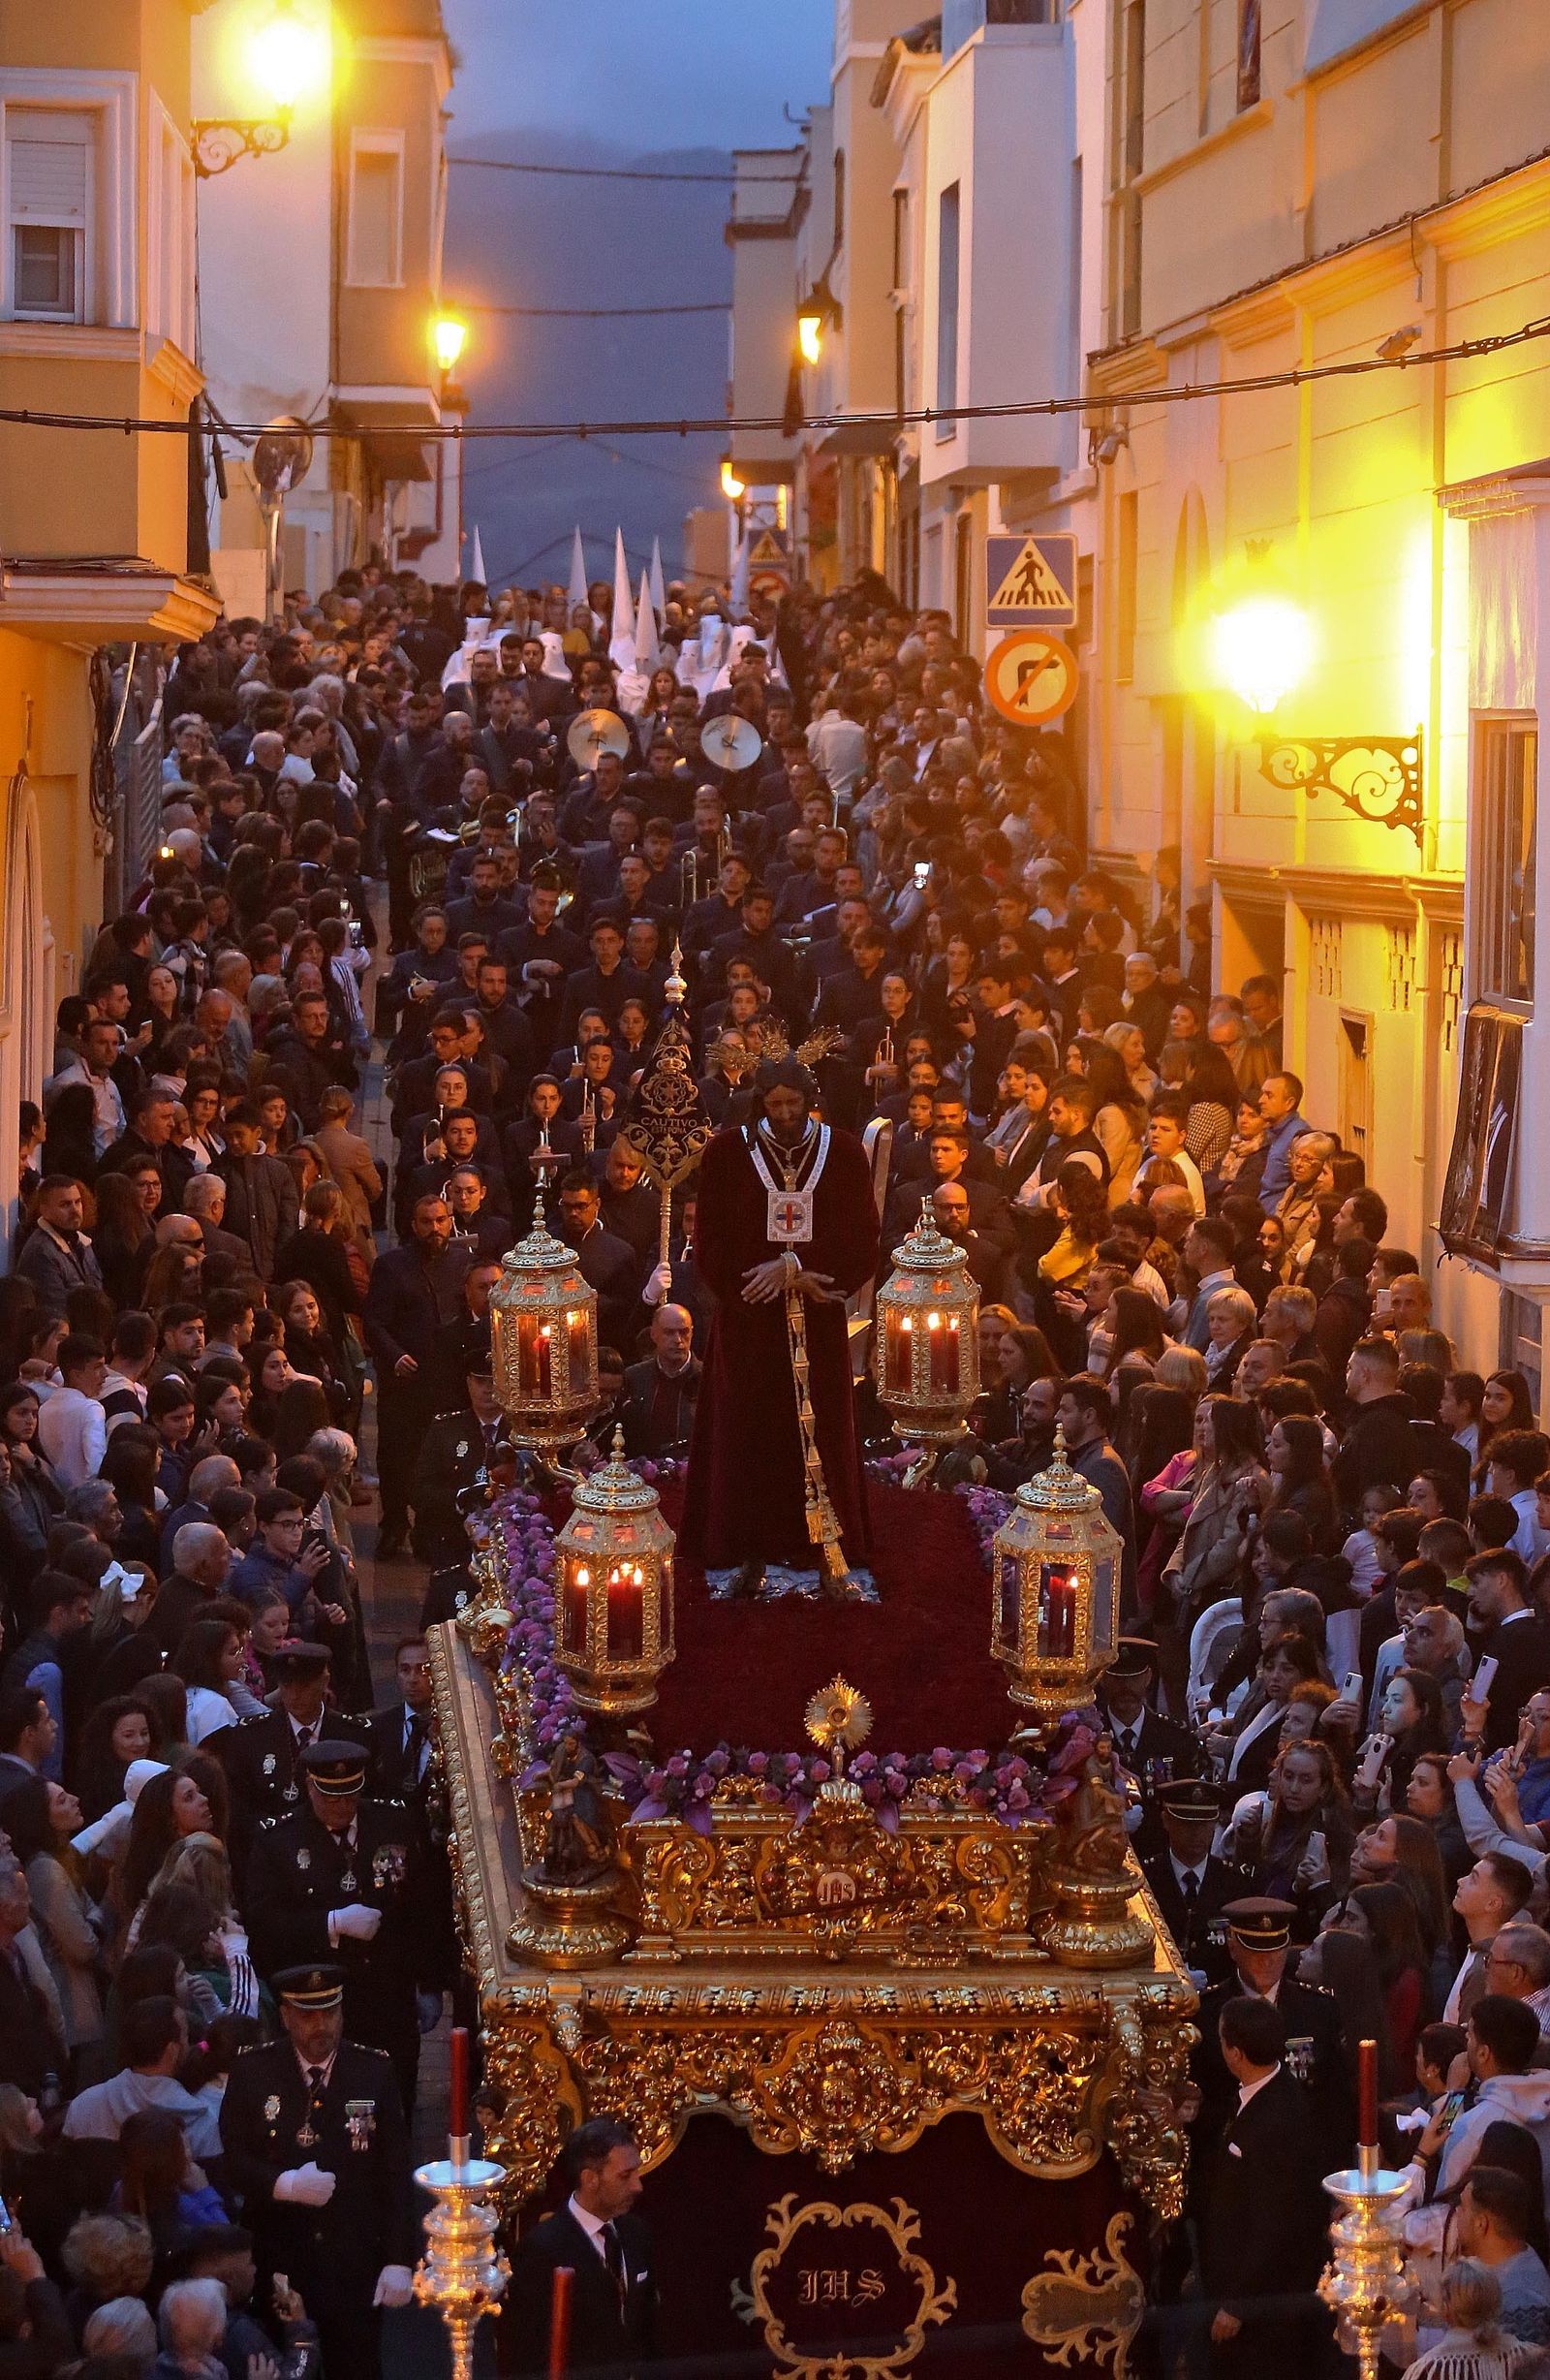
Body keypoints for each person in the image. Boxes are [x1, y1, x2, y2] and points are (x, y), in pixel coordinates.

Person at [680, 1058, 879, 1597]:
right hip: (749, 1325)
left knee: (820, 1430)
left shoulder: (841, 1152)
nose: (788, 1114)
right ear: (758, 1103)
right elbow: (710, 1243)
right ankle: (745, 1549)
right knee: (750, 1430)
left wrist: (798, 1269)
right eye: (776, 1105)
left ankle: (825, 1548)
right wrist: (759, 1284)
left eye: (796, 1103)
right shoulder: (727, 1153)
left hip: (818, 1320)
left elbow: (863, 1237)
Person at [218, 1962, 417, 2380]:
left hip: (353, 2260)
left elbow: (394, 2173)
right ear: (286, 2016)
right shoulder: (254, 2073)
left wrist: (399, 2259)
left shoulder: (373, 2072)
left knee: (357, 2368)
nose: (320, 2025)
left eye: (330, 2013)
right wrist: (282, 2184)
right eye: (308, 2015)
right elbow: (233, 2160)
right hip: (282, 2257)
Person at [243, 1740, 432, 2113]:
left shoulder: (393, 1823)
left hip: (388, 1993)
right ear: (311, 1787)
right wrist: (329, 1923)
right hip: (323, 1999)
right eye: (331, 1798)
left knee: (396, 2095)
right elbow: (264, 1921)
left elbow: (421, 1906)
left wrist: (428, 1982)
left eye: (350, 1796)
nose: (342, 1806)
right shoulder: (279, 1840)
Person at [1198, 1993, 1331, 2380]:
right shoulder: (1271, 2092)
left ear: (1235, 2053)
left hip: (1264, 2308)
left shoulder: (1277, 2117)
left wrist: (1237, 2305)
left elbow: (1273, 2224)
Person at [508, 2115, 657, 2375]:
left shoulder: (636, 2233)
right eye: (625, 2176)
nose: (638, 2186)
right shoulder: (541, 2250)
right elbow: (528, 2353)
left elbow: (648, 2331)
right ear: (590, 2179)